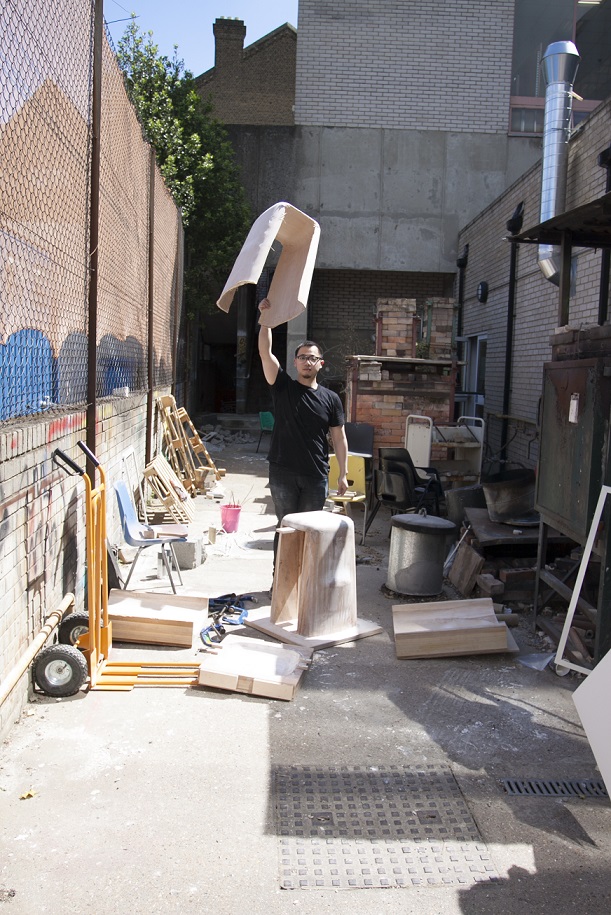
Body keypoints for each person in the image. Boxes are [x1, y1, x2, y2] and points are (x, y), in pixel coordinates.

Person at [257, 297, 349, 567]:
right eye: (302, 357)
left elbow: (339, 438)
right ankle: (280, 582)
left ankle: (306, 583)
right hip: (282, 472)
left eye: (312, 358)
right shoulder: (282, 386)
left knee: (310, 532)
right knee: (285, 528)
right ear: (295, 362)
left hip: (315, 475)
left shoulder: (331, 399)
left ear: (321, 363)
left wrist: (343, 473)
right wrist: (266, 320)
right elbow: (265, 353)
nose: (307, 362)